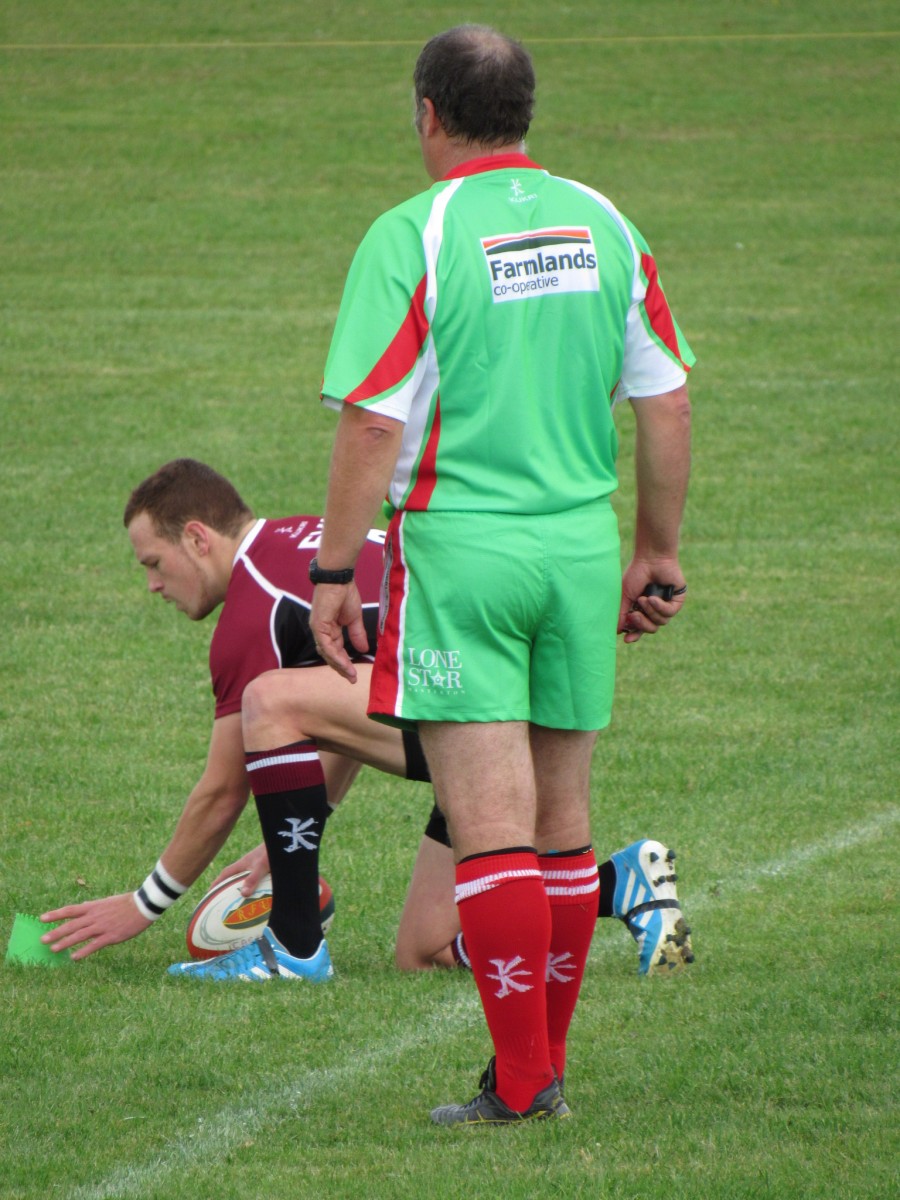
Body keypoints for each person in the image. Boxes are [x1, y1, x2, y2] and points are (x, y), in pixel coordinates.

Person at [308, 26, 694, 1125]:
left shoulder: (414, 232)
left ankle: (523, 1085)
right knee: (563, 822)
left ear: (428, 113)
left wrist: (335, 569)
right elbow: (666, 401)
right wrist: (656, 552)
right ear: (524, 113)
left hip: (463, 554)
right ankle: (538, 1072)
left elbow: (371, 424)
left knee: (490, 826)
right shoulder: (605, 220)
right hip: (577, 550)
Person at [40, 459, 693, 981]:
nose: (153, 585)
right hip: (512, 694)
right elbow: (355, 689)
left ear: (196, 538)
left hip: (471, 709)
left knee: (270, 700)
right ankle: (620, 885)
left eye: (153, 564)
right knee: (426, 950)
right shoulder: (300, 540)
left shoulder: (253, 605)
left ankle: (294, 947)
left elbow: (222, 791)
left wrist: (143, 904)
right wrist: (293, 829)